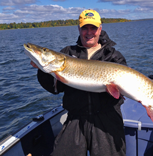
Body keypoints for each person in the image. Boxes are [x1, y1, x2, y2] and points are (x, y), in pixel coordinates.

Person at [31, 9, 127, 156]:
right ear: (79, 29)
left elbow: (123, 90)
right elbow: (55, 89)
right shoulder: (67, 53)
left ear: (100, 29)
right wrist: (42, 70)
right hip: (75, 117)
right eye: (85, 28)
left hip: (107, 118)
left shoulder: (113, 56)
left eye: (93, 28)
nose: (89, 32)